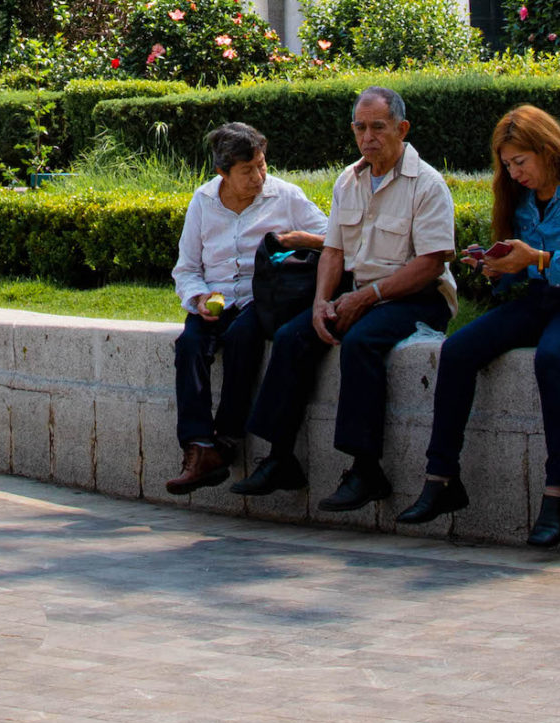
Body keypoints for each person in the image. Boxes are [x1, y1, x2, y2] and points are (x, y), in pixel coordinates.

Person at [397, 104, 560, 550]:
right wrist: (500, 266)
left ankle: (559, 493)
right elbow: (527, 267)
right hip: (543, 298)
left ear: (546, 148)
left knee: (552, 357)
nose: (515, 173)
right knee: (458, 350)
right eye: (507, 165)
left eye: (520, 162)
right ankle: (441, 477)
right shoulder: (522, 199)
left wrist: (538, 259)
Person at [235, 88, 455, 505]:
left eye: (378, 127)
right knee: (292, 336)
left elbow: (430, 265)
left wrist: (367, 297)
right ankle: (281, 458)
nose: (368, 137)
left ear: (401, 129)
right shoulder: (348, 181)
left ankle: (366, 469)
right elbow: (332, 250)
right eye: (360, 127)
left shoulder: (426, 184)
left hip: (417, 298)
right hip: (359, 293)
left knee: (360, 344)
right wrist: (321, 303)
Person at [167, 122, 326, 495]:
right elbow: (187, 268)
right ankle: (198, 447)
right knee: (189, 347)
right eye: (247, 171)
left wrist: (306, 239)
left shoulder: (285, 196)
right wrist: (199, 297)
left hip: (260, 300)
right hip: (215, 298)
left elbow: (337, 235)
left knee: (243, 338)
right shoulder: (203, 201)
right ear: (223, 172)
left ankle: (226, 439)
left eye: (261, 165)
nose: (258, 177)